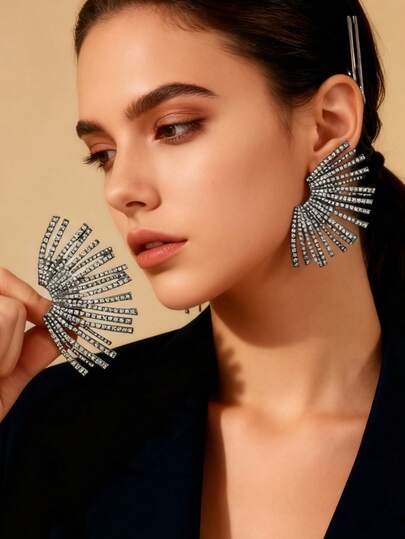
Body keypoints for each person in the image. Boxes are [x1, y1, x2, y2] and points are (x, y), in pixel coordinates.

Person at [0, 1, 404, 537]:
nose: (121, 189)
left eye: (174, 128)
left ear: (328, 123)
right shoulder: (53, 432)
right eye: (103, 153)